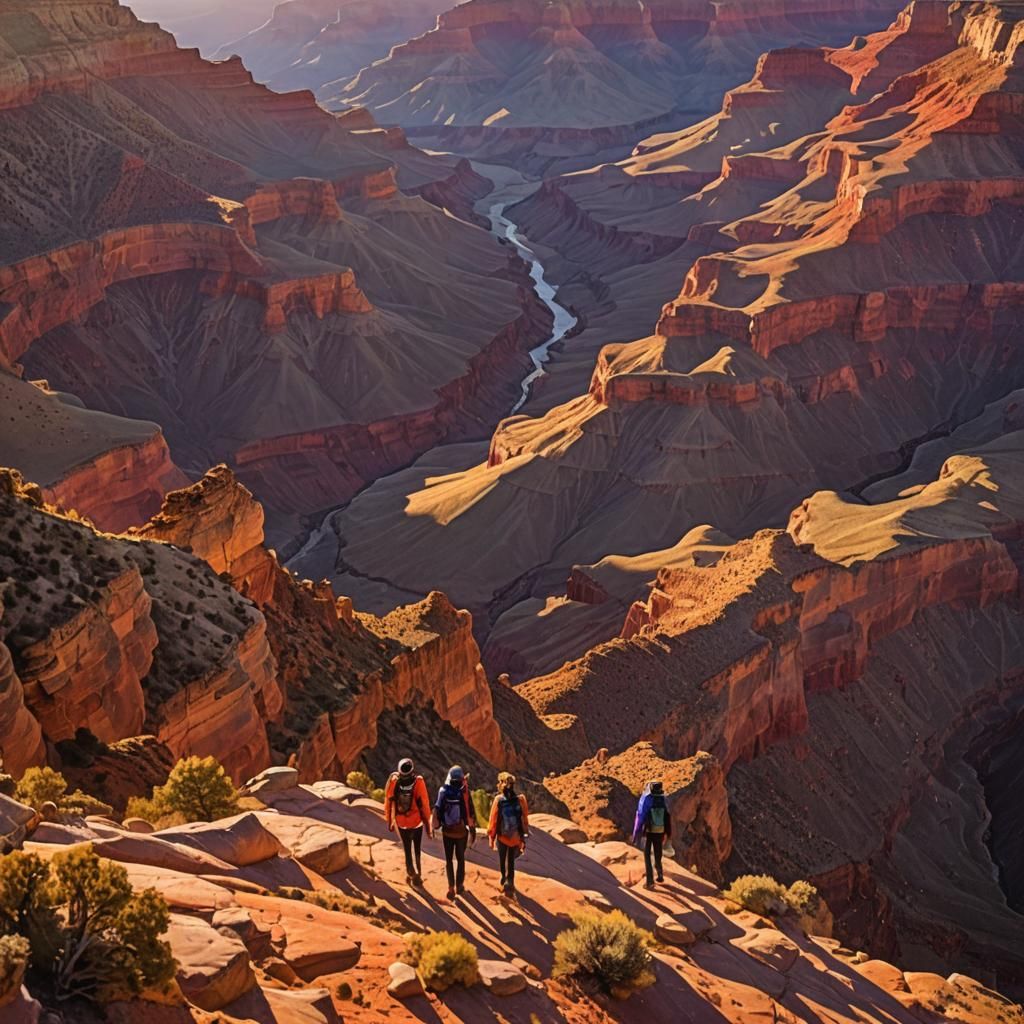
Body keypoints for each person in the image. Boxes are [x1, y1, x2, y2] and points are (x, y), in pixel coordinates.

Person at [384, 758, 433, 886]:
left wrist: (389, 820)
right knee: (416, 849)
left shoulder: (394, 781)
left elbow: (388, 801)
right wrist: (428, 823)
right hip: (416, 822)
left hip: (401, 822)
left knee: (407, 848)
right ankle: (418, 876)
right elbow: (425, 804)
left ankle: (410, 872)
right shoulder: (419, 781)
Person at [432, 765, 476, 899]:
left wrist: (435, 825)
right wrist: (472, 830)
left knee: (449, 860)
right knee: (461, 859)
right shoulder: (464, 792)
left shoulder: (443, 791)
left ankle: (450, 887)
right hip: (461, 832)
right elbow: (471, 813)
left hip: (447, 831)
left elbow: (437, 809)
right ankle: (459, 886)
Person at [487, 771, 529, 899]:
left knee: (502, 859)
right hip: (515, 836)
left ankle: (504, 881)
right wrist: (523, 836)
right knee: (510, 860)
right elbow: (525, 819)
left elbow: (493, 820)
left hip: (502, 836)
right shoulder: (521, 800)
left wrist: (491, 836)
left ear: (502, 784)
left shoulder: (498, 800)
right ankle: (510, 883)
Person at [631, 780, 672, 889]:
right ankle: (660, 874)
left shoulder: (647, 799)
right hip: (660, 830)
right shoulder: (663, 798)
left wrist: (636, 834)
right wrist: (668, 833)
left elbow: (640, 816)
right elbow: (667, 815)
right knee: (658, 851)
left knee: (647, 855)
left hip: (649, 831)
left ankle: (650, 882)